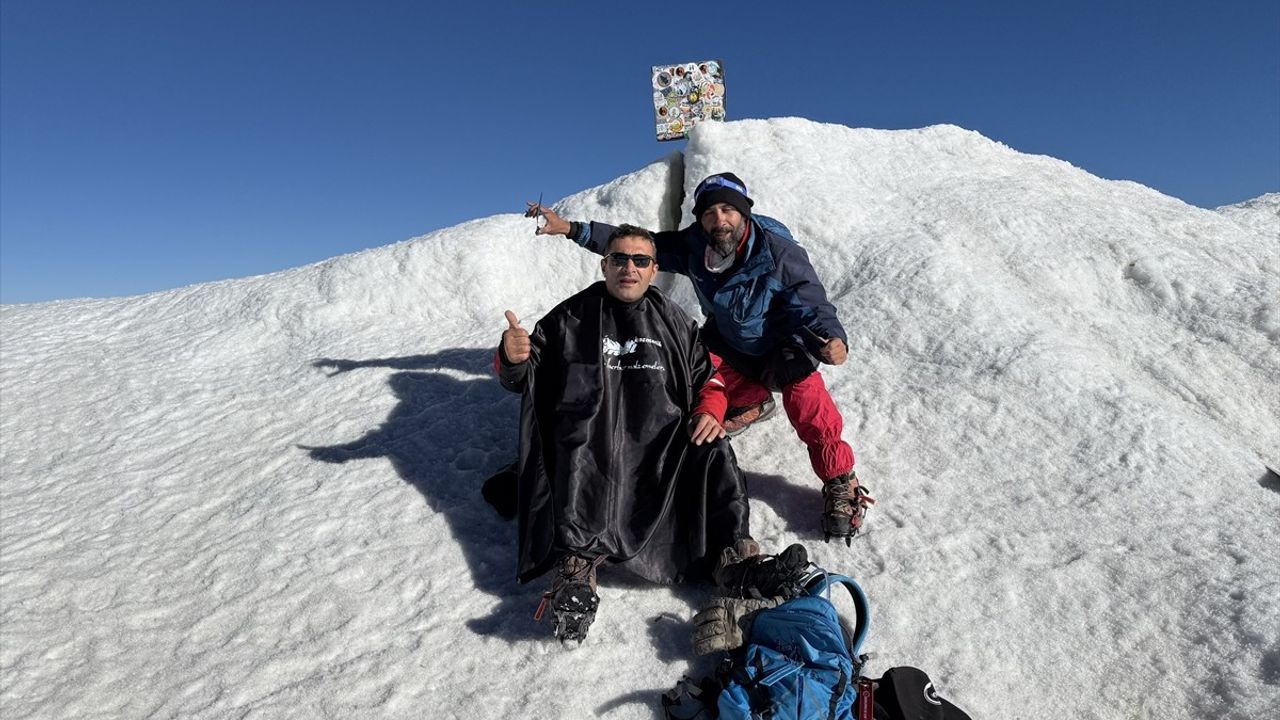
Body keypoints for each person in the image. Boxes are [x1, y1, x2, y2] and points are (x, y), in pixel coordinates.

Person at [526, 173, 873, 544]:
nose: (719, 219)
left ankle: (841, 481)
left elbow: (810, 297)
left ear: (744, 213)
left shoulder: (777, 252)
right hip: (727, 339)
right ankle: (751, 400)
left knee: (806, 396)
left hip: (781, 342)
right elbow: (643, 247)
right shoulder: (696, 245)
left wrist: (833, 337)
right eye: (710, 212)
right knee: (692, 369)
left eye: (728, 210)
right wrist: (573, 229)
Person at [497, 223, 754, 643]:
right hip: (592, 443)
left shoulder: (675, 321)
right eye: (619, 258)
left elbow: (709, 379)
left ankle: (732, 557)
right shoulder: (568, 318)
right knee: (576, 450)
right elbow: (523, 378)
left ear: (654, 270)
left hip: (661, 448)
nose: (628, 268)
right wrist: (512, 358)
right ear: (604, 265)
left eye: (640, 260)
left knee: (715, 448)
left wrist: (710, 409)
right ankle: (578, 571)